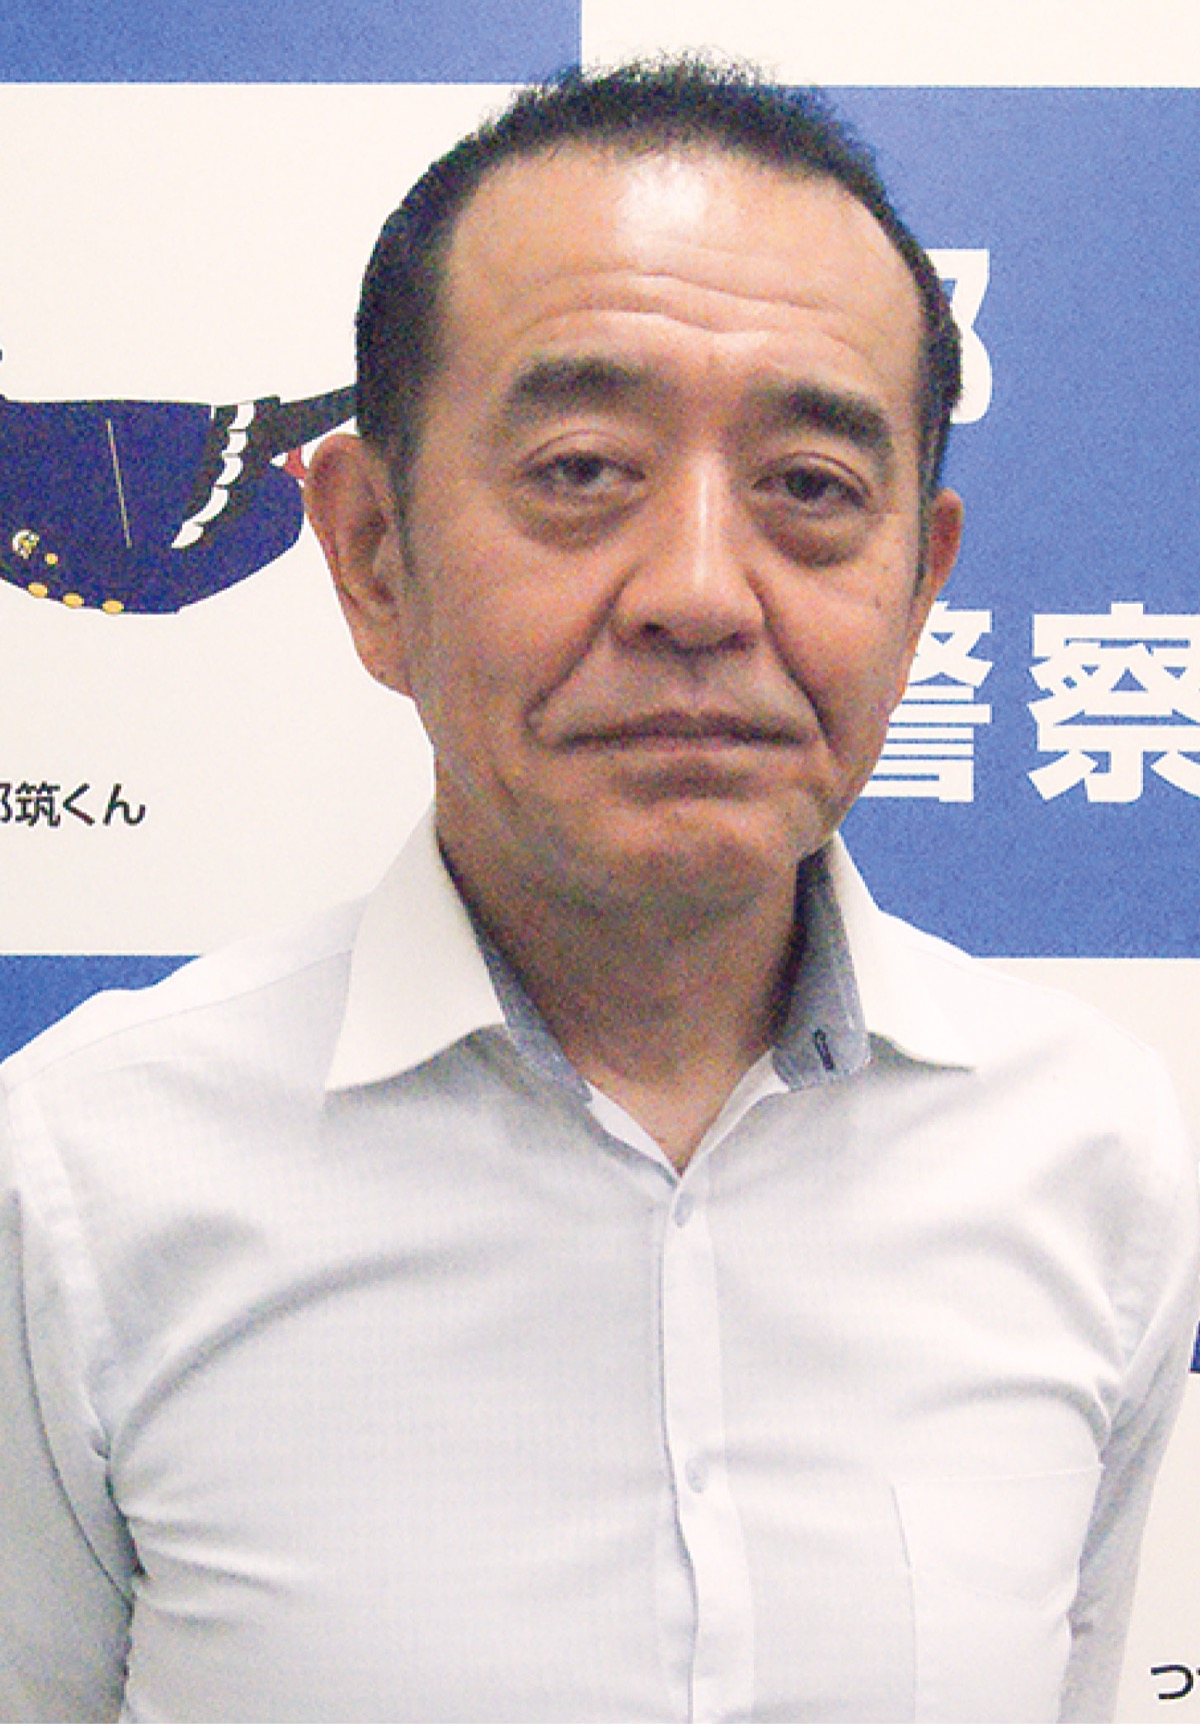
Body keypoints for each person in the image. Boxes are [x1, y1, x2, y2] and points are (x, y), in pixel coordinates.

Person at [1, 60, 1195, 1724]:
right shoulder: (78, 1182)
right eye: (580, 469)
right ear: (372, 556)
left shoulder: (1096, 1161)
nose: (700, 593)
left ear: (920, 582)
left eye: (811, 488)